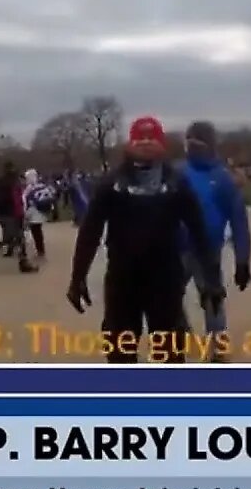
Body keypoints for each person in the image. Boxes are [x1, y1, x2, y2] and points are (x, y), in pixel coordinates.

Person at [67, 116, 222, 364]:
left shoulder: (176, 183)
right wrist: (77, 278)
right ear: (130, 143)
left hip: (165, 279)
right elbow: (90, 232)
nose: (146, 143)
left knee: (170, 352)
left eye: (152, 138)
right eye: (140, 138)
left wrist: (212, 281)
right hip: (122, 279)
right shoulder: (111, 184)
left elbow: (199, 232)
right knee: (120, 351)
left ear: (162, 145)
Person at [178, 121, 251, 360]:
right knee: (168, 295)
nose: (191, 146)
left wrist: (243, 260)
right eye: (189, 141)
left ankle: (218, 348)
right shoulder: (177, 174)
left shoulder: (222, 178)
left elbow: (239, 220)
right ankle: (182, 332)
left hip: (207, 249)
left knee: (212, 298)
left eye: (197, 142)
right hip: (176, 248)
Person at [0, 161, 36, 273]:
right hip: (8, 215)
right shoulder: (1, 183)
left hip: (17, 213)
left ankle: (24, 263)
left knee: (19, 239)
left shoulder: (15, 182)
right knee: (9, 239)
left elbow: (19, 198)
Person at [22, 168, 53, 261]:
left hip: (33, 212)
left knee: (35, 232)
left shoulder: (29, 188)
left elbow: (25, 200)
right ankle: (40, 249)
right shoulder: (42, 186)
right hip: (41, 212)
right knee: (38, 232)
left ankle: (39, 250)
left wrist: (24, 212)